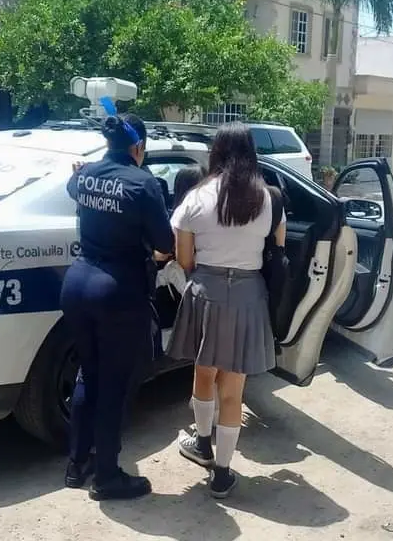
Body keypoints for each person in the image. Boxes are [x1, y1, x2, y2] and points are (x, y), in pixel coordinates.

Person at [166, 122, 285, 499]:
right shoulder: (269, 198)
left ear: (215, 152)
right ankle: (222, 474)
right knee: (233, 391)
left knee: (203, 373)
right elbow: (277, 250)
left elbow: (184, 259)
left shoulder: (197, 197)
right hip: (250, 295)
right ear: (251, 153)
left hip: (207, 290)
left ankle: (202, 443)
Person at [61, 112, 174, 501]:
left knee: (87, 376)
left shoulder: (86, 174)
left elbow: (72, 185)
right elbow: (165, 241)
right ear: (138, 147)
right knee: (114, 386)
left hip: (76, 285)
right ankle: (107, 477)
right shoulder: (143, 184)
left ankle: (77, 465)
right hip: (117, 294)